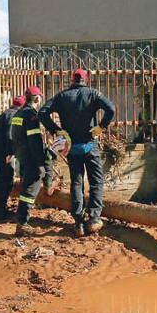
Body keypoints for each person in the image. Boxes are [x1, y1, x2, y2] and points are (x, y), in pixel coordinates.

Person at [39, 68, 115, 237]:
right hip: (90, 144)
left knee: (76, 182)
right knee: (96, 181)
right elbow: (111, 109)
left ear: (72, 80)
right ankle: (94, 218)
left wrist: (57, 130)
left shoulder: (62, 96)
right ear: (85, 80)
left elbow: (42, 112)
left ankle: (78, 222)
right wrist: (101, 126)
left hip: (72, 145)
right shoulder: (93, 94)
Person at [10, 86, 56, 236]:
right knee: (29, 191)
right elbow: (35, 141)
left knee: (26, 188)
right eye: (40, 97)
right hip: (31, 158)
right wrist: (40, 163)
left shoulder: (18, 113)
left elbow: (14, 137)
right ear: (36, 99)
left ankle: (21, 221)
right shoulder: (31, 115)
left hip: (22, 156)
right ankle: (22, 223)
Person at [0, 95, 26, 221]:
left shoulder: (7, 113)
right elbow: (11, 135)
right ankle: (0, 211)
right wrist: (10, 153)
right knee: (6, 179)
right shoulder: (13, 115)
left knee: (3, 177)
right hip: (3, 152)